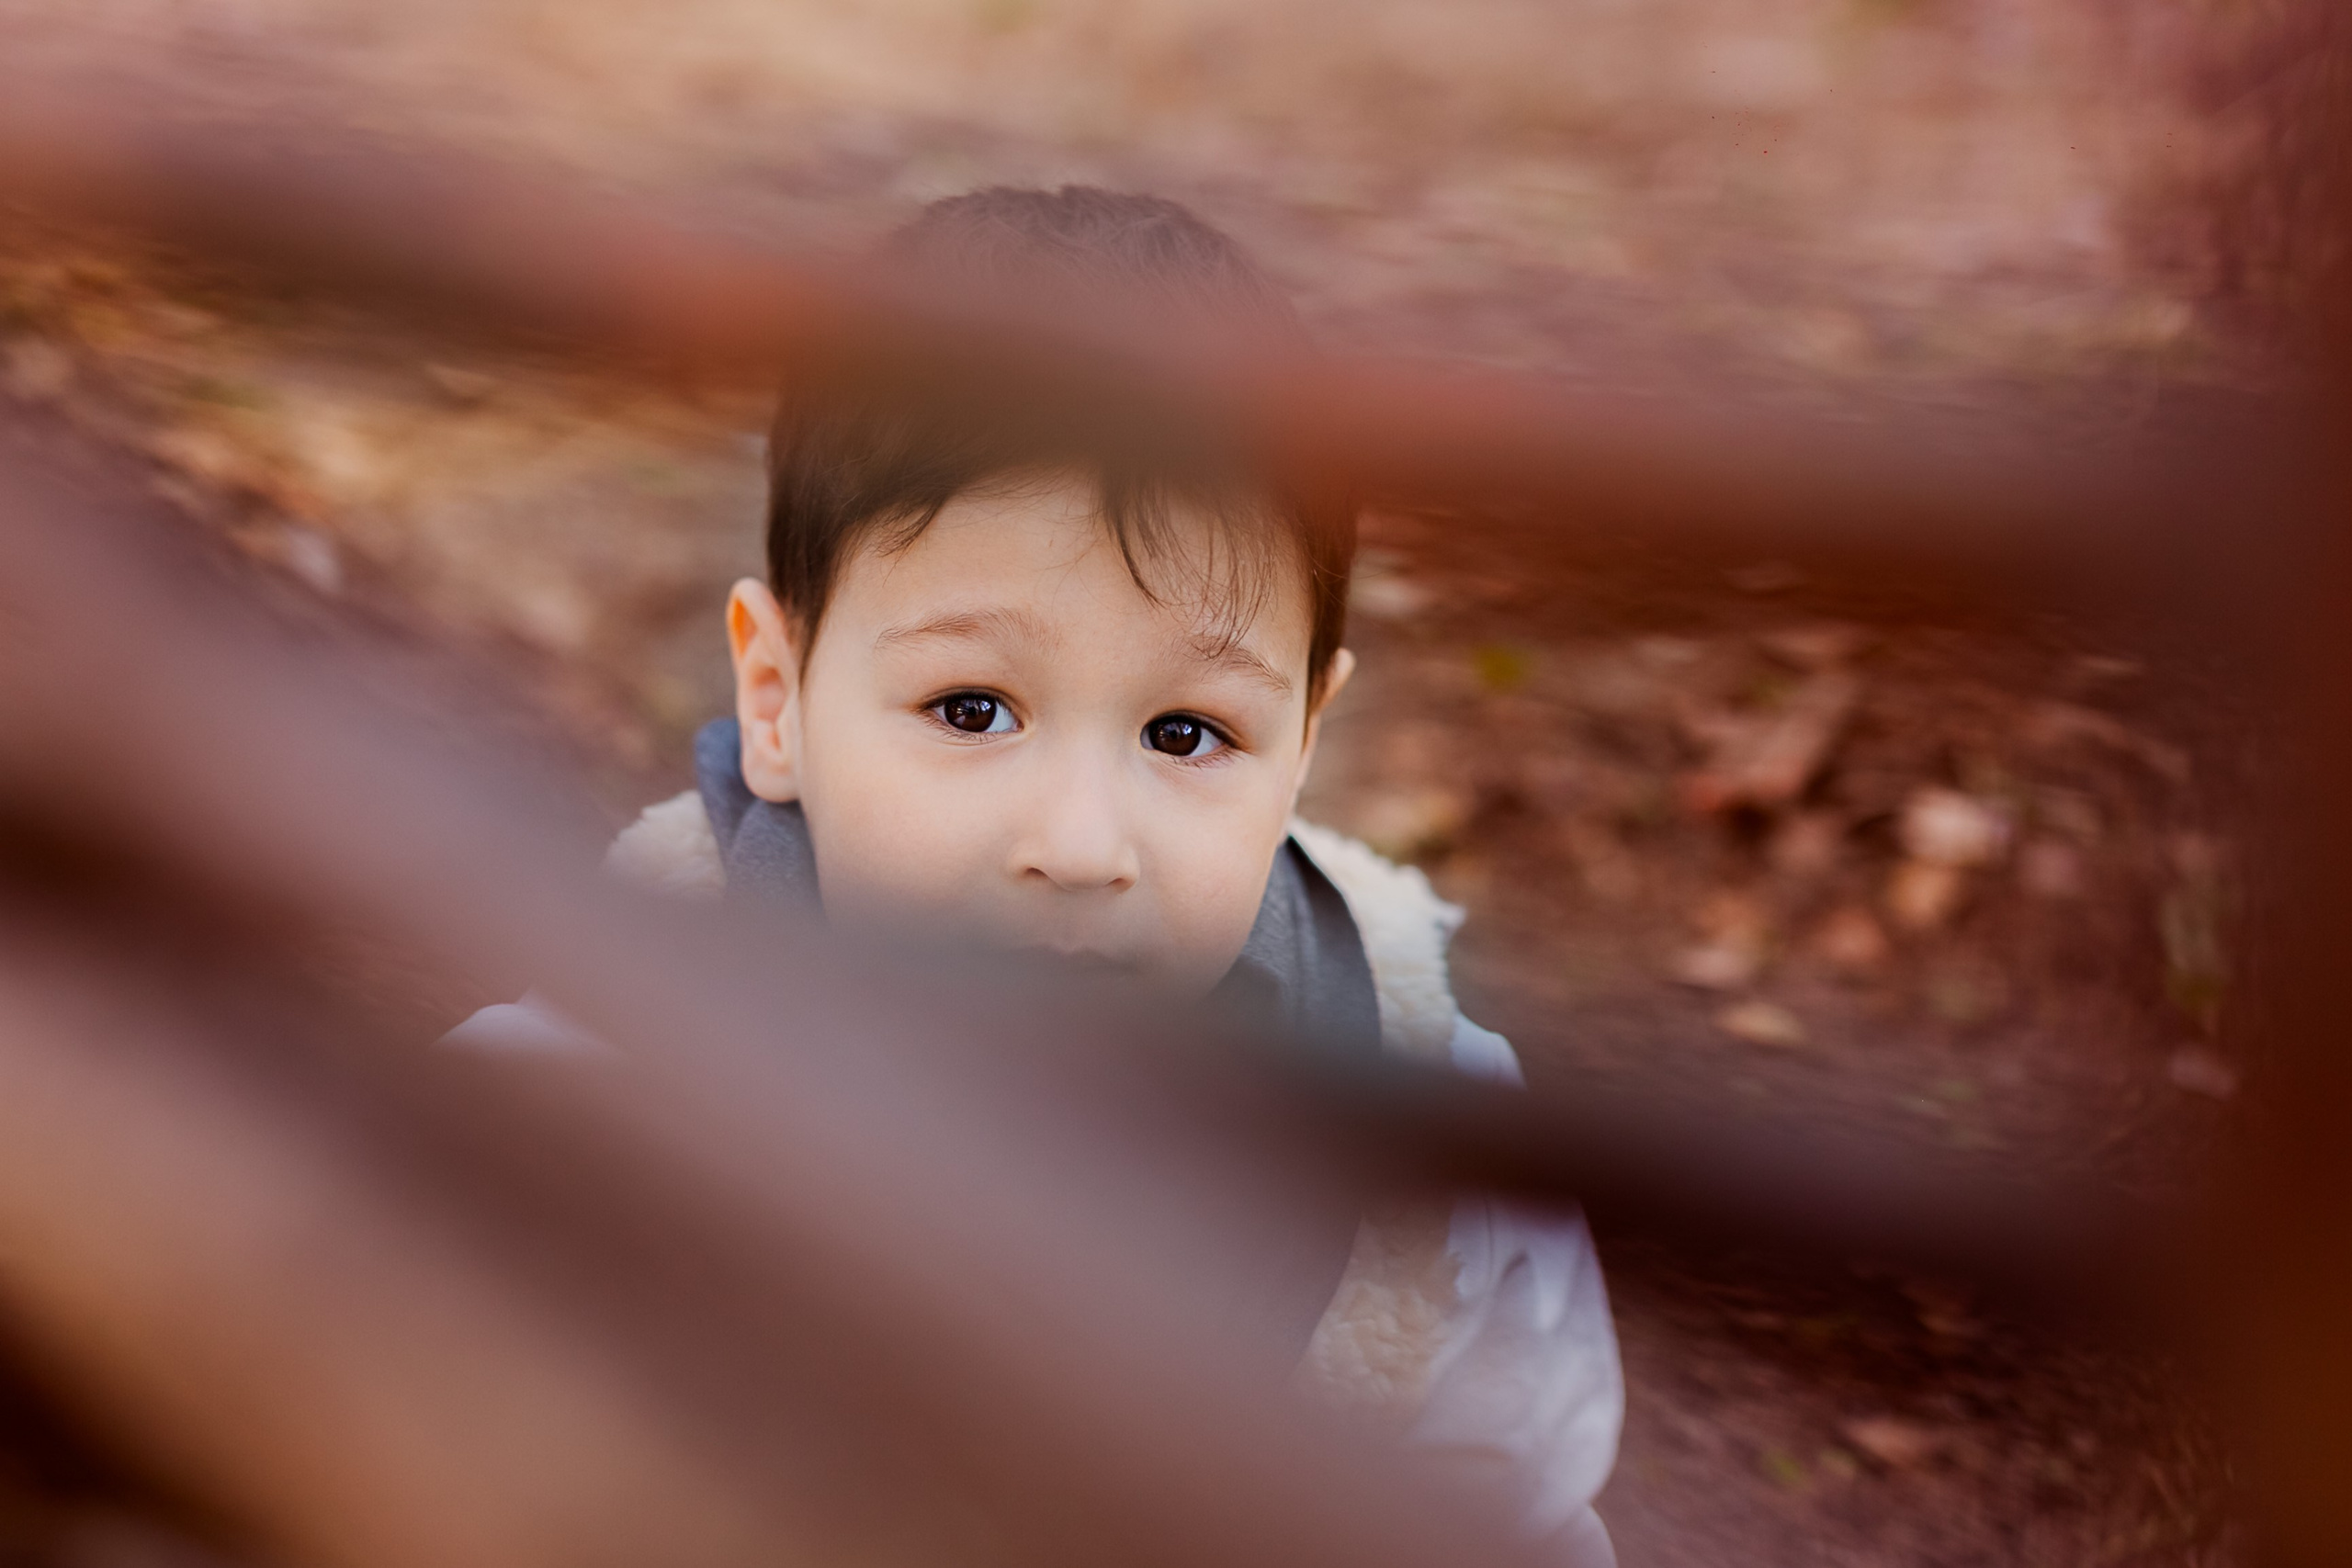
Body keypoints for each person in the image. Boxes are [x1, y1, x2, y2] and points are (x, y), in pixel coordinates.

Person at [449, 186, 1623, 1562]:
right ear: (777, 698)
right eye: (971, 710)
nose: (1076, 847)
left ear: (1302, 743)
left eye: (1187, 733)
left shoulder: (1430, 1178)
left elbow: (1503, 1520)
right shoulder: (585, 1105)